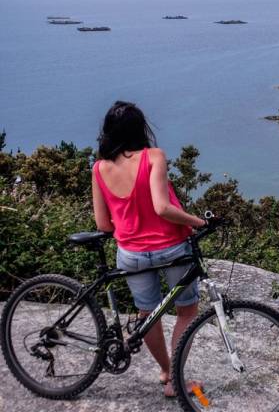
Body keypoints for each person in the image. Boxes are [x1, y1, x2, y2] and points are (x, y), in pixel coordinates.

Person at [91, 101, 206, 397]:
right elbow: (162, 207)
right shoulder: (153, 156)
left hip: (131, 254)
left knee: (148, 314)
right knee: (187, 310)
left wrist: (132, 226)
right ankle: (177, 380)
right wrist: (197, 222)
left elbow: (103, 224)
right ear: (140, 128)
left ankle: (167, 373)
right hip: (172, 248)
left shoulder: (99, 168)